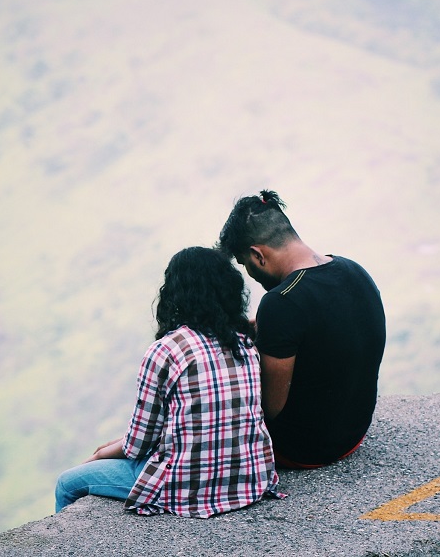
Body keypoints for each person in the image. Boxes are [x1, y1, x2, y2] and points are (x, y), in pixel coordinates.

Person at [55, 247, 281, 517]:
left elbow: (138, 444)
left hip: (185, 486)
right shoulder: (244, 344)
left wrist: (103, 453)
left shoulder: (166, 350)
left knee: (67, 484)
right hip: (250, 479)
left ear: (175, 293)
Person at [217, 190, 386, 468]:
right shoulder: (355, 271)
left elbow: (271, 408)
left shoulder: (281, 302)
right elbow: (319, 325)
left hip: (303, 449)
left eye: (245, 264)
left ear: (257, 255)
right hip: (353, 434)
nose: (251, 274)